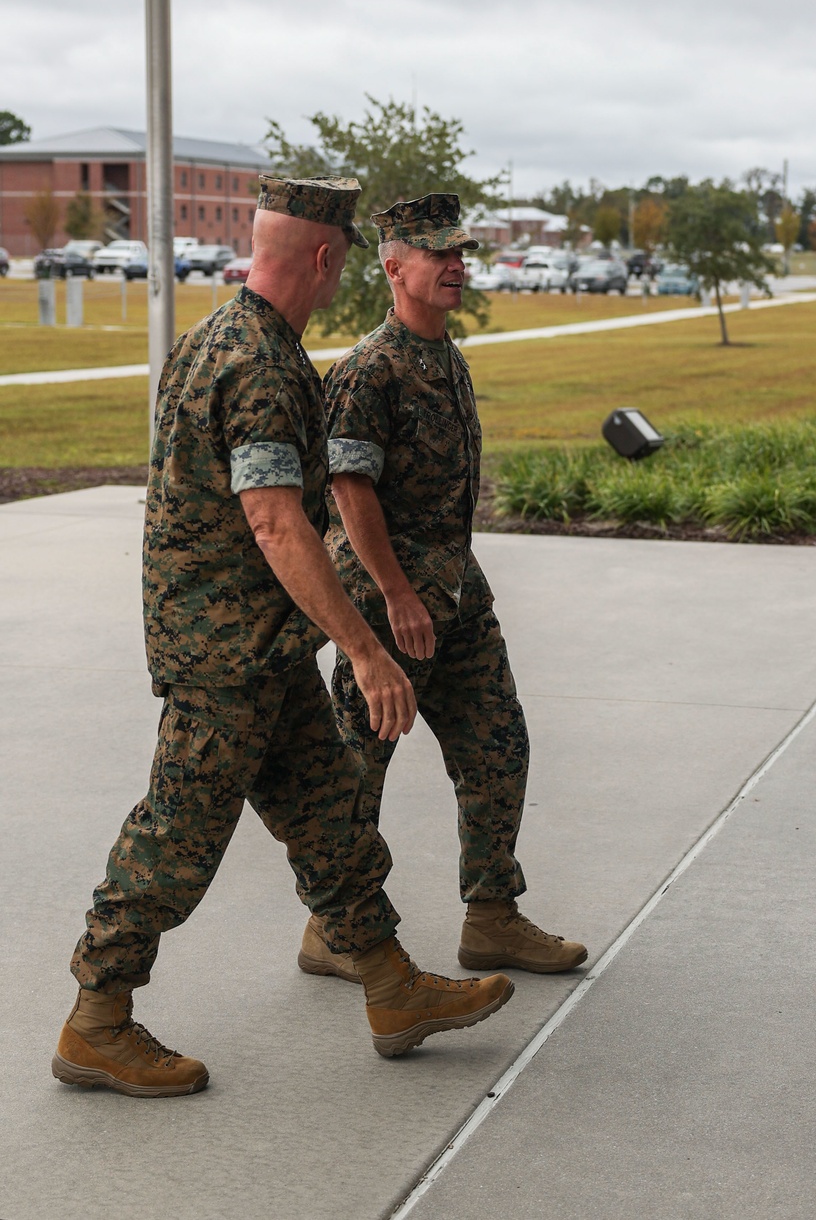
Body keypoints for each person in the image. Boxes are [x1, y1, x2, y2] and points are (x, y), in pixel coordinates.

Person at [52, 176, 513, 1098]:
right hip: (223, 657)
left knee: (332, 817)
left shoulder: (231, 335)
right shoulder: (259, 364)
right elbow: (275, 525)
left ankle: (392, 988)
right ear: (329, 259)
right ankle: (97, 1019)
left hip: (261, 646)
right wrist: (369, 649)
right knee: (176, 836)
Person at [297, 192, 587, 986]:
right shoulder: (369, 369)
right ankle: (333, 927)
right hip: (389, 603)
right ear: (395, 267)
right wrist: (394, 596)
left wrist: (441, 586)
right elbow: (350, 491)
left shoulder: (446, 357)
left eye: (461, 253)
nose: (457, 266)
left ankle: (492, 916)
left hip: (457, 592)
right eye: (439, 254)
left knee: (499, 743)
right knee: (360, 764)